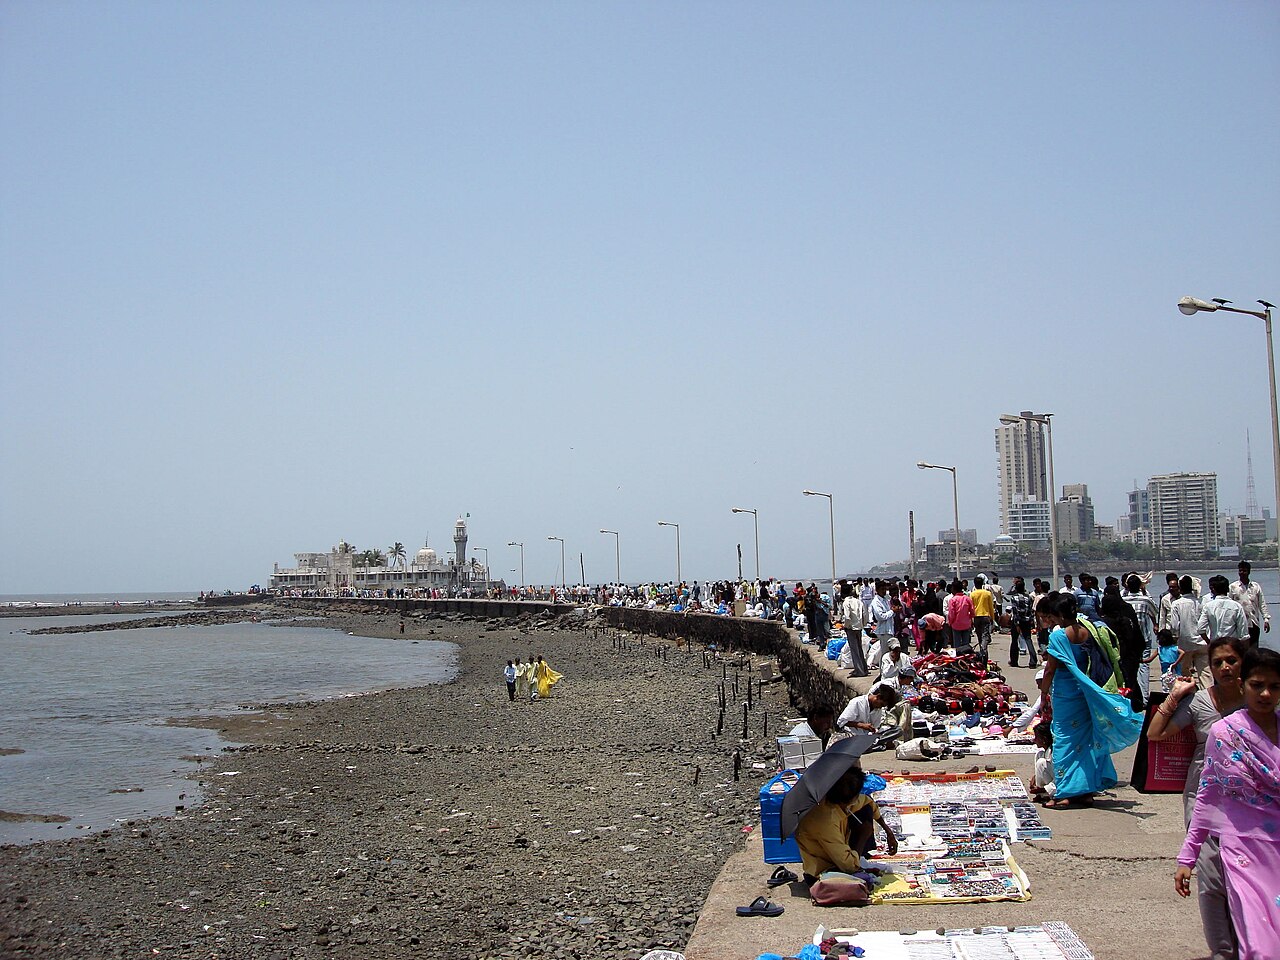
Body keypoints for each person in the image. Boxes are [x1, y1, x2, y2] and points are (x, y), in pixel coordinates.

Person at [1175, 647, 1280, 959]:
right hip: (1242, 851)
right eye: (1257, 684)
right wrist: (1188, 856)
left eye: (1274, 687)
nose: (1265, 694)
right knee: (1260, 945)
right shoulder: (1225, 733)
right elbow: (1207, 796)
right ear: (1242, 684)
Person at [1149, 636, 1247, 960]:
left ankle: (1248, 943)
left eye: (1231, 660)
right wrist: (1174, 697)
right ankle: (1222, 950)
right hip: (1203, 795)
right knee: (1210, 876)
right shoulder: (1201, 702)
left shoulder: (1259, 699)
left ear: (1243, 663)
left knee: (1244, 876)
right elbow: (1156, 733)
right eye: (1217, 662)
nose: (1224, 667)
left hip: (1248, 800)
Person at [1037, 592, 1143, 809]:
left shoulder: (1058, 637)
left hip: (1066, 692)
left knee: (1064, 740)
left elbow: (1050, 669)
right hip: (1085, 691)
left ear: (1058, 613)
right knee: (1085, 741)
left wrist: (1043, 693)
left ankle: (1064, 792)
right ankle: (1085, 791)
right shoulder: (1088, 630)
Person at [794, 765, 898, 885]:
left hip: (838, 853)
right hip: (824, 873)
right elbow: (849, 866)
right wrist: (863, 836)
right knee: (862, 880)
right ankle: (858, 857)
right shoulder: (826, 821)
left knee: (865, 810)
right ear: (847, 800)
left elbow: (868, 802)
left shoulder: (836, 799)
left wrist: (888, 831)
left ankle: (859, 856)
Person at [1101, 587, 1147, 712]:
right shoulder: (1126, 620)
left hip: (1113, 661)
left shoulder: (1103, 624)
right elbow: (1137, 637)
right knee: (1131, 682)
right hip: (1130, 658)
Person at [1171, 576, 1210, 688]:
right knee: (1205, 674)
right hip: (1202, 642)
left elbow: (1174, 626)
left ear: (1180, 589)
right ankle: (1207, 696)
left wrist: (1174, 638)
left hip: (1185, 643)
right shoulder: (1201, 603)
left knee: (1184, 671)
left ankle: (1191, 692)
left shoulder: (1177, 604)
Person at [1198, 575, 1250, 652]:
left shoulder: (1208, 606)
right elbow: (1244, 635)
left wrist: (1209, 642)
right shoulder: (1236, 606)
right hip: (1232, 646)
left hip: (1215, 646)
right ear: (1227, 589)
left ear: (1214, 590)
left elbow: (1200, 629)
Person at [1230, 560, 1271, 646]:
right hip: (1238, 624)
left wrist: (1266, 619)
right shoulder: (1233, 587)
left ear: (1248, 572)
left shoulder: (1255, 586)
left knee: (1254, 650)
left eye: (1244, 571)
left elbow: (1262, 603)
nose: (1242, 573)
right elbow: (1229, 605)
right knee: (1240, 650)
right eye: (1240, 570)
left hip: (1254, 623)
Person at [836, 684, 900, 734]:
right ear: (878, 697)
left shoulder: (877, 709)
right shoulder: (857, 702)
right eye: (881, 705)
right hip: (852, 734)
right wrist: (861, 725)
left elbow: (875, 726)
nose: (880, 707)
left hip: (867, 737)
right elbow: (841, 722)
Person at [838, 581, 870, 676]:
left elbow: (847, 617)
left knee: (854, 650)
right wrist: (863, 624)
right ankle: (864, 668)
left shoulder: (846, 602)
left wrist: (846, 626)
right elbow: (865, 614)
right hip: (859, 627)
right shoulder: (858, 601)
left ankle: (859, 670)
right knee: (859, 648)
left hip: (851, 628)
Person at [1007, 576, 1038, 668]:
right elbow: (1030, 610)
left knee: (1014, 640)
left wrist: (1016, 624)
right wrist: (1031, 621)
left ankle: (1014, 661)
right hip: (1027, 621)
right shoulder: (1028, 597)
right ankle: (1033, 661)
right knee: (1028, 639)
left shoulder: (1014, 598)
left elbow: (1015, 611)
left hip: (1018, 621)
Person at [970, 575, 995, 664]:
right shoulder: (987, 593)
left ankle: (982, 652)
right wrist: (992, 618)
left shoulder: (972, 594)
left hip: (976, 616)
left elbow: (971, 607)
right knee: (985, 635)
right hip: (985, 616)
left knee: (979, 636)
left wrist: (971, 619)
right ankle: (984, 652)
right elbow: (991, 607)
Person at [946, 580, 974, 655]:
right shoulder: (967, 598)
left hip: (956, 625)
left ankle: (958, 659)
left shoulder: (953, 600)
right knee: (966, 644)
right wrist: (970, 619)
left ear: (954, 589)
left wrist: (950, 622)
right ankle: (967, 658)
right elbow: (972, 611)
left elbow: (951, 614)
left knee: (957, 645)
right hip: (966, 624)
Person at [1029, 725, 1055, 802]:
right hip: (1048, 783)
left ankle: (1047, 794)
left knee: (1041, 762)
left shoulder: (1054, 754)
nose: (1034, 740)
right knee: (1039, 755)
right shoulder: (1042, 753)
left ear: (1044, 739)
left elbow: (1059, 778)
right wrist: (1035, 777)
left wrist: (1045, 789)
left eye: (1036, 737)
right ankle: (1041, 794)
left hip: (1057, 786)